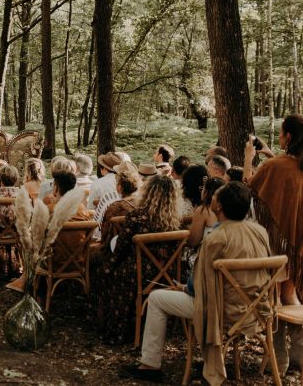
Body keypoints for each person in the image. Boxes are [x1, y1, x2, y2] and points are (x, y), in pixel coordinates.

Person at [120, 182, 272, 385]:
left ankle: (150, 365)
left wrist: (183, 287)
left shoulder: (216, 238)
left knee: (156, 298)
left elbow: (196, 286)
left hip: (220, 311)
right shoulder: (259, 231)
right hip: (255, 310)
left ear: (219, 206)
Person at [93, 175, 182, 345]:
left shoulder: (137, 217)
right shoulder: (174, 222)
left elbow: (119, 249)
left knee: (103, 270)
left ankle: (113, 327)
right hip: (167, 275)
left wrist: (108, 266)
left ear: (148, 194)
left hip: (137, 275)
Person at [246, 114, 303, 307]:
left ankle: (277, 338)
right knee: (290, 294)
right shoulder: (287, 165)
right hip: (298, 246)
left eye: (280, 133)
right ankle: (297, 338)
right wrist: (271, 155)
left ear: (288, 137)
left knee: (275, 296)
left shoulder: (275, 166)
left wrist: (248, 159)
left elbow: (249, 190)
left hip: (278, 244)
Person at [97, 163, 141, 248]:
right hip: (139, 249)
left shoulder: (114, 208)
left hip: (114, 251)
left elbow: (104, 235)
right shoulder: (144, 204)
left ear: (119, 187)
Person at [90, 152, 123, 228]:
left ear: (104, 168)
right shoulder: (125, 182)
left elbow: (91, 209)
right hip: (122, 226)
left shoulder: (97, 183)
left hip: (101, 226)